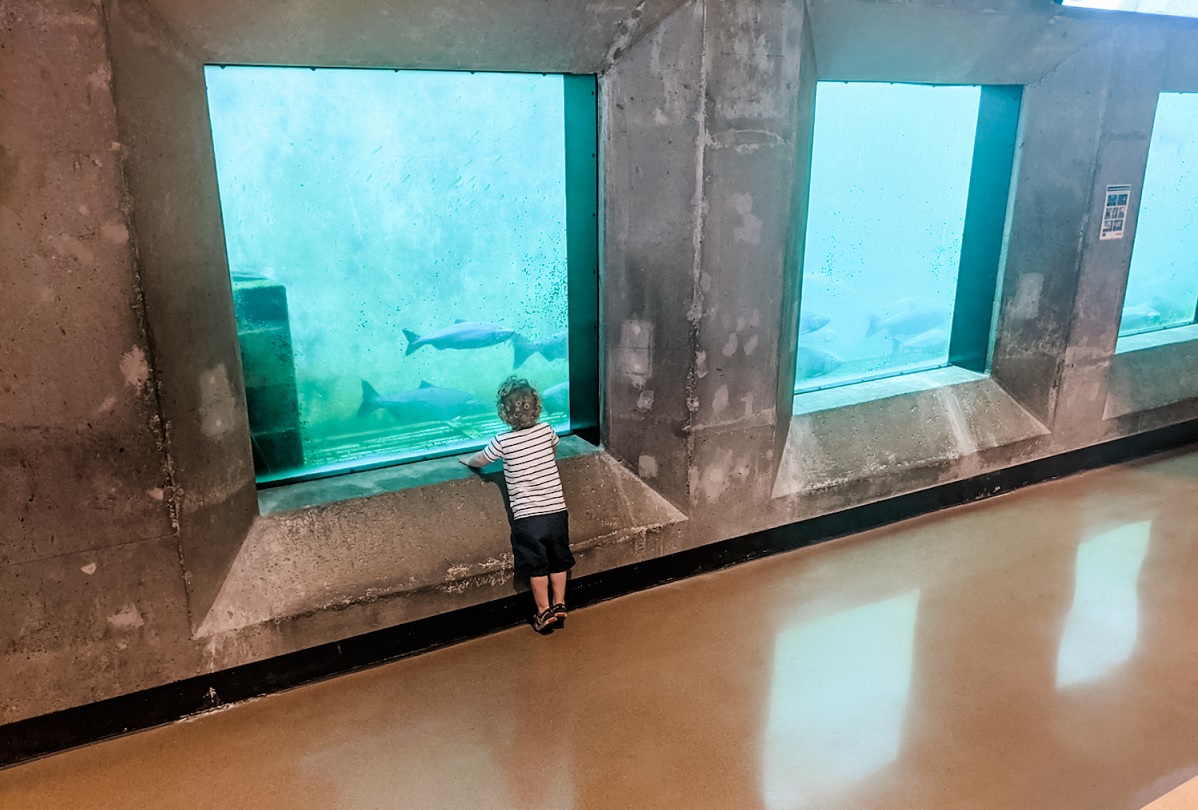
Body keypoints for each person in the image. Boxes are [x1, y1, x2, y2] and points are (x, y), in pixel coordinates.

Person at [461, 377, 574, 633]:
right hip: (556, 512)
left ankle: (543, 612)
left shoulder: (502, 441)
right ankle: (560, 604)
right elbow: (553, 448)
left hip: (528, 519)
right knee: (559, 561)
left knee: (536, 567)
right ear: (537, 407)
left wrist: (468, 461)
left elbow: (482, 459)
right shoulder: (547, 430)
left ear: (504, 414)